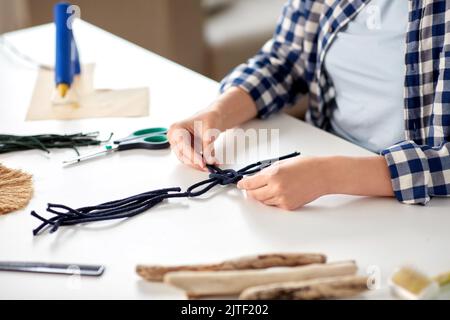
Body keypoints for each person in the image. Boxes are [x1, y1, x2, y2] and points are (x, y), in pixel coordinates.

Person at [168, 0, 450, 210]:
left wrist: (331, 175)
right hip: (318, 177)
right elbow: (286, 60)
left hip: (415, 203)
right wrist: (215, 114)